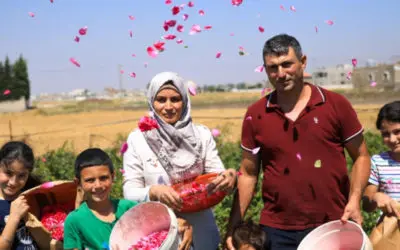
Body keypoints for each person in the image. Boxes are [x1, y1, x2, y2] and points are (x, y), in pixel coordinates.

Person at [225, 34, 371, 250]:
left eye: (287, 64)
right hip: (276, 229)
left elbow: (361, 156)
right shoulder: (256, 114)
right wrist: (233, 224)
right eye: (273, 68)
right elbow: (248, 173)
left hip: (331, 223)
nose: (280, 74)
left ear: (303, 62)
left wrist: (355, 199)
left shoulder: (334, 104)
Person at [123, 71, 237, 250]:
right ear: (152, 102)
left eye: (175, 99)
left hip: (202, 235)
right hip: (159, 233)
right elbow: (129, 192)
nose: (168, 107)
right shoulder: (138, 139)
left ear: (185, 100)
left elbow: (217, 175)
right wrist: (153, 191)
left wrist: (229, 176)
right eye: (161, 100)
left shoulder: (201, 135)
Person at [63, 148, 138, 250]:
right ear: (78, 183)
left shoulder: (130, 209)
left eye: (103, 178)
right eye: (90, 180)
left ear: (113, 177)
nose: (98, 185)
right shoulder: (74, 221)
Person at [0, 141, 41, 250]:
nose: (13, 182)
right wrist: (14, 217)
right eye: (8, 173)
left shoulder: (32, 197)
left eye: (21, 175)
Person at [363, 101, 400, 217]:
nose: (392, 139)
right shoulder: (378, 162)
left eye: (397, 132)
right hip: (391, 231)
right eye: (385, 134)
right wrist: (375, 197)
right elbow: (367, 206)